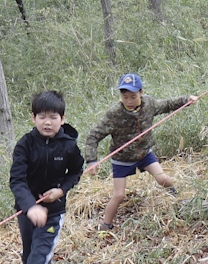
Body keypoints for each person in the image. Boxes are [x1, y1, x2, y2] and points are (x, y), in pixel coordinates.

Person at [83, 73, 198, 230]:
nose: (129, 101)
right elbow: (93, 136)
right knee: (119, 195)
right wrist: (91, 160)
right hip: (121, 159)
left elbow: (167, 104)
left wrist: (187, 100)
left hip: (144, 154)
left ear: (141, 93)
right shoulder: (114, 114)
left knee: (163, 179)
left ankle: (176, 201)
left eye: (133, 96)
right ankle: (105, 226)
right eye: (125, 97)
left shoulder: (148, 104)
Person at [10, 91, 86, 264]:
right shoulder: (24, 144)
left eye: (53, 117)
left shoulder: (69, 146)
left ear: (62, 119)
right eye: (42, 116)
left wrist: (61, 191)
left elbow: (76, 172)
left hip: (53, 213)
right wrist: (30, 206)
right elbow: (17, 180)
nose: (47, 122)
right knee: (28, 254)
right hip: (26, 211)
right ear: (33, 118)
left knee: (38, 259)